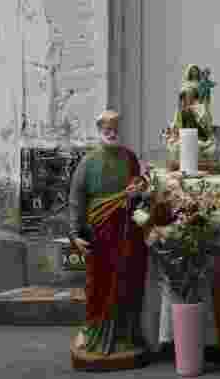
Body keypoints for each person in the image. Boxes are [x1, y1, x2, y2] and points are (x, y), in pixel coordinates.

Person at [68, 109, 151, 370]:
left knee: (127, 281)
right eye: (106, 128)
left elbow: (141, 193)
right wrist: (75, 234)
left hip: (127, 233)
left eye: (115, 127)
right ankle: (93, 330)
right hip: (99, 235)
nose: (111, 131)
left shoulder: (129, 158)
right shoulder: (88, 162)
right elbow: (76, 200)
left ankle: (125, 335)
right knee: (97, 285)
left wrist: (138, 192)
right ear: (99, 130)